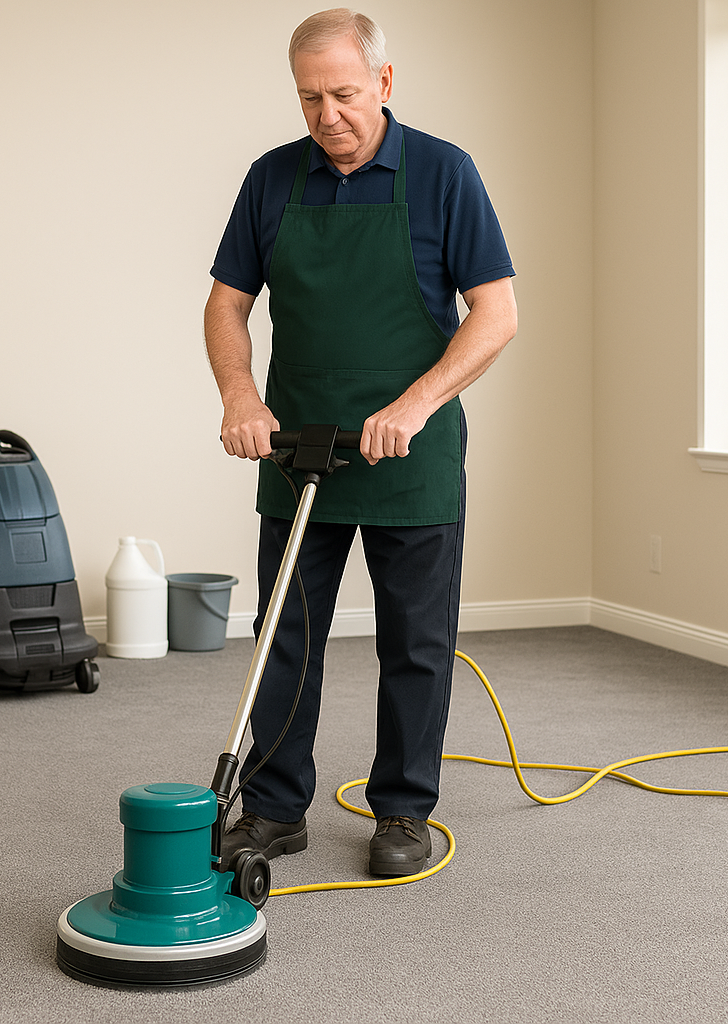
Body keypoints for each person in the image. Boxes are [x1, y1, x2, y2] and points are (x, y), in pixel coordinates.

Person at [203, 8, 517, 877]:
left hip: (407, 455)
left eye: (343, 93)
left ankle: (405, 811)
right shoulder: (273, 178)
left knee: (413, 640)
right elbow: (228, 302)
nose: (327, 115)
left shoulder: (444, 173)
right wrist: (241, 395)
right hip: (296, 446)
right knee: (284, 634)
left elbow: (497, 313)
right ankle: (272, 808)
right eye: (309, 98)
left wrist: (416, 406)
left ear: (383, 82)